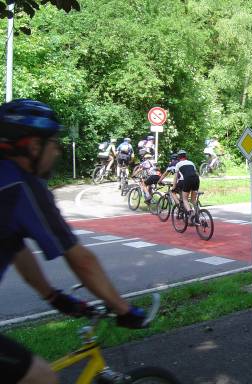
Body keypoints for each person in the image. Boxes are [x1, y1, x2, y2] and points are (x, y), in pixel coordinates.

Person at [0, 99, 148, 384]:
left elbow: (16, 249)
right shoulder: (22, 187)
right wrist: (123, 309)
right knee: (43, 377)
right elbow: (81, 260)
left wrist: (53, 296)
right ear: (32, 146)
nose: (56, 150)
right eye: (53, 142)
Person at [173, 150, 200, 224]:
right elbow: (196, 173)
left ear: (179, 157)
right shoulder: (191, 163)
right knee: (193, 200)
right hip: (196, 179)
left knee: (185, 199)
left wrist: (173, 187)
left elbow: (175, 178)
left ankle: (190, 213)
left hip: (187, 179)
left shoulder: (178, 164)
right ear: (186, 156)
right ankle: (198, 214)